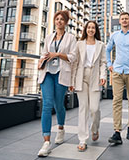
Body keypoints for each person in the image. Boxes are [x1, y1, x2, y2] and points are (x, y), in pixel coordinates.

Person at [37, 10, 77, 157]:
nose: (59, 21)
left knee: (58, 104)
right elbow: (44, 53)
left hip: (62, 74)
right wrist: (41, 60)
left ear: (66, 22)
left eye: (62, 19)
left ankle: (60, 128)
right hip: (47, 73)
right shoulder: (49, 37)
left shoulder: (71, 38)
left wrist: (58, 54)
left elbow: (73, 57)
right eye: (57, 19)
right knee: (47, 105)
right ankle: (46, 142)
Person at [106, 12, 129, 144]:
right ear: (120, 21)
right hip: (117, 72)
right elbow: (107, 49)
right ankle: (117, 132)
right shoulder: (115, 35)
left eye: (127, 18)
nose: (124, 20)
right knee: (116, 101)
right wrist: (110, 64)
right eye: (122, 19)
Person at [71, 21, 107, 152]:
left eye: (93, 28)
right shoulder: (79, 44)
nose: (91, 30)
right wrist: (72, 81)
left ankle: (95, 129)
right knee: (83, 108)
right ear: (85, 29)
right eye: (89, 27)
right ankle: (82, 139)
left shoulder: (101, 44)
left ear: (96, 30)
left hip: (95, 77)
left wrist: (103, 76)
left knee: (95, 108)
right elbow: (74, 62)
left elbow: (103, 62)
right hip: (81, 76)